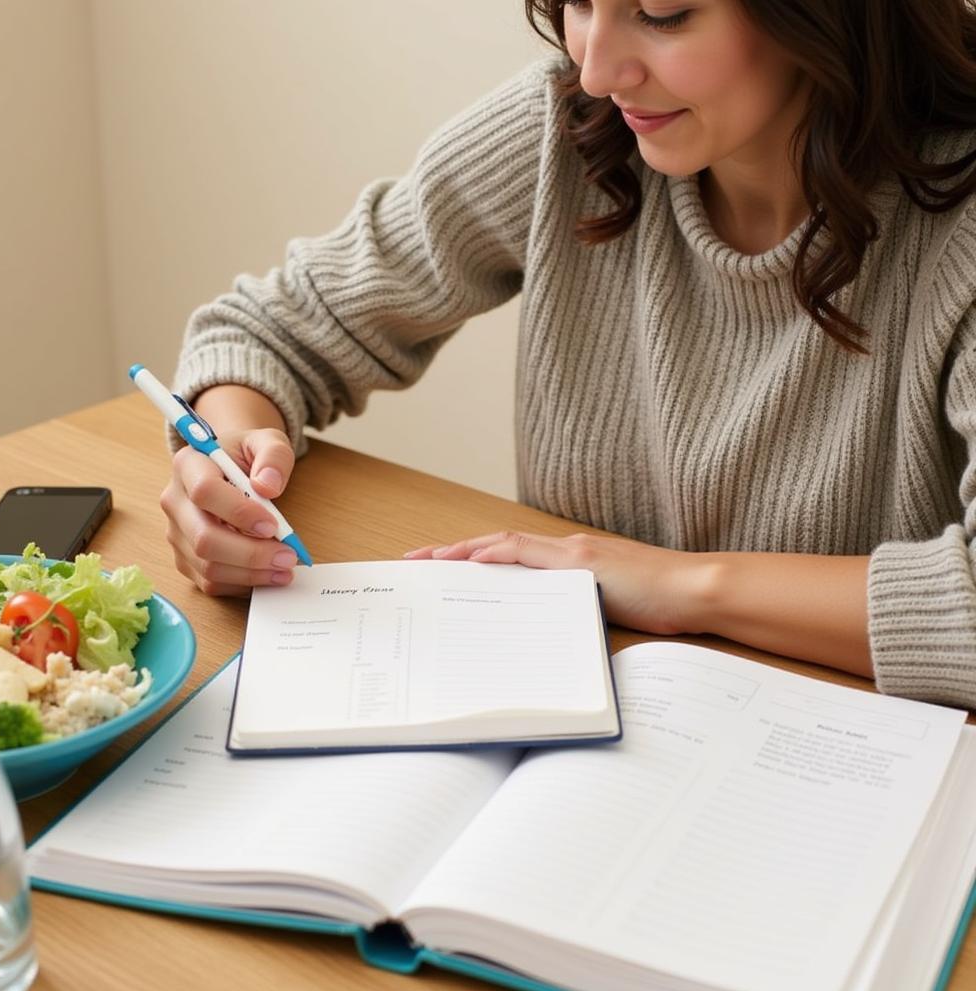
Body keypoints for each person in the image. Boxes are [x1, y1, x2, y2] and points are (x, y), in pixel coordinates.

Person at [161, 0, 976, 707]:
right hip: (578, 730)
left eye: (663, 15)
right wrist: (228, 463)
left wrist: (679, 586)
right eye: (577, 1)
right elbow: (271, 328)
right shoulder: (573, 129)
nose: (596, 70)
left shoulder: (957, 225)